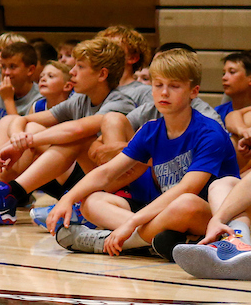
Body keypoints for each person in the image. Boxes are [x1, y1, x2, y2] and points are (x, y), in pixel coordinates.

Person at [48, 49, 241, 260]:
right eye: (158, 85)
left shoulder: (209, 132)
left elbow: (188, 188)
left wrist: (132, 223)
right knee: (91, 201)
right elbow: (107, 172)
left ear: (193, 91)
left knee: (186, 202)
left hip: (209, 215)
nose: (164, 92)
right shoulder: (150, 130)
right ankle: (158, 240)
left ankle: (115, 241)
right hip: (164, 215)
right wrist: (67, 198)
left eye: (174, 86)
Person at [0, 37, 138, 226]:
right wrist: (18, 138)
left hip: (112, 180)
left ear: (102, 74)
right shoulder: (80, 100)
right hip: (82, 173)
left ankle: (6, 195)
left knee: (74, 138)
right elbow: (22, 119)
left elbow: (77, 129)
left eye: (80, 66)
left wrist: (25, 142)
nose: (72, 71)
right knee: (13, 121)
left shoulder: (119, 101)